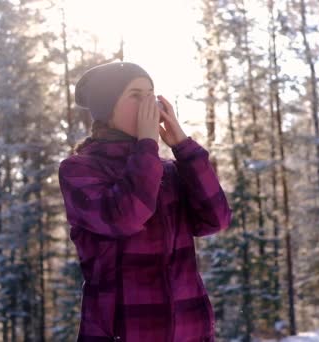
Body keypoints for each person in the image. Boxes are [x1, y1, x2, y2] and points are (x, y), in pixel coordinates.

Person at [57, 61, 233, 342]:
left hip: (190, 334)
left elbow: (216, 219)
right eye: (136, 95)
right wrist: (148, 145)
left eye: (151, 93)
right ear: (107, 109)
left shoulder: (170, 170)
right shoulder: (79, 170)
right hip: (122, 333)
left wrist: (184, 148)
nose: (148, 103)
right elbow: (124, 217)